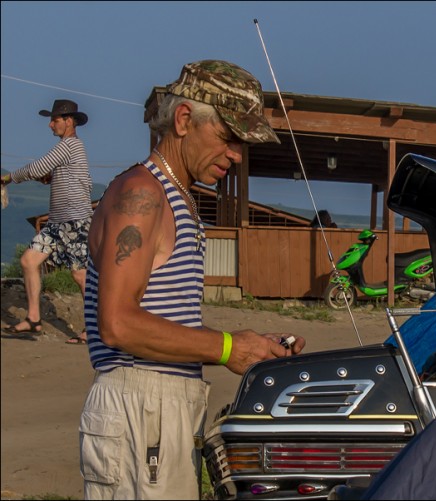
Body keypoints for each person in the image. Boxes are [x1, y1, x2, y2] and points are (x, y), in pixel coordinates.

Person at [78, 60, 306, 500]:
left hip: (158, 412)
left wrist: (250, 345)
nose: (236, 154)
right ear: (184, 119)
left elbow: (159, 318)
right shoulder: (141, 194)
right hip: (140, 408)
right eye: (227, 137)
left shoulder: (174, 197)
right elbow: (118, 324)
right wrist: (225, 347)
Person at [1, 99, 93, 345]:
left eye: (55, 120)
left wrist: (8, 178)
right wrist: (53, 176)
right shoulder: (69, 150)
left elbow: (37, 166)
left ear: (69, 121)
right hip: (57, 223)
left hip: (75, 220)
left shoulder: (70, 145)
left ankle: (94, 329)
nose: (51, 124)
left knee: (81, 275)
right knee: (29, 260)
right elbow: (61, 173)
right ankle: (33, 319)